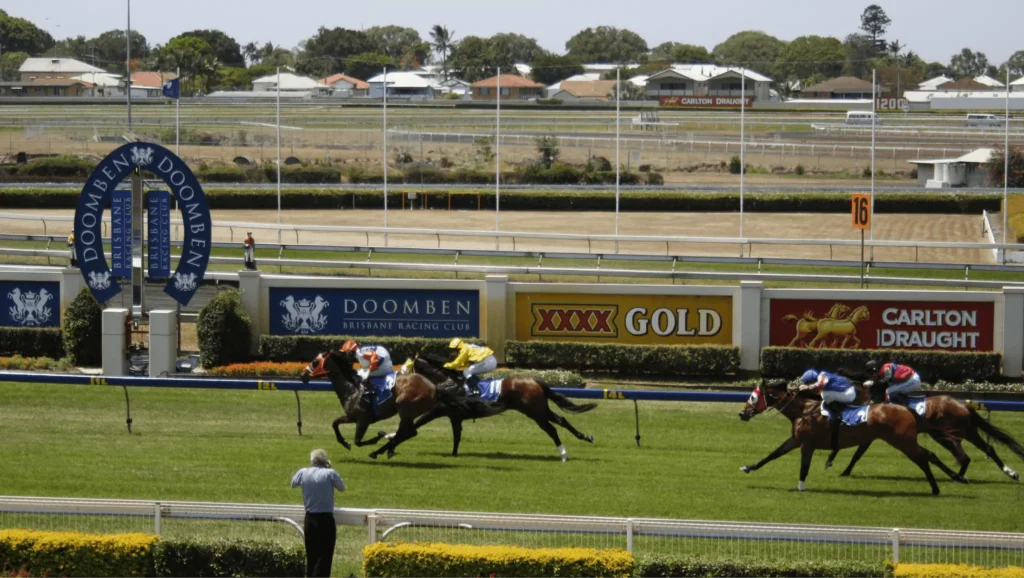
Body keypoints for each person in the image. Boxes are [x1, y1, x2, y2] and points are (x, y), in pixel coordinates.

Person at [291, 449, 345, 578]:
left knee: (311, 555)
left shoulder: (303, 472)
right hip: (326, 519)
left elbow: (293, 483)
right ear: (325, 461)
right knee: (325, 556)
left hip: (310, 518)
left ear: (312, 460)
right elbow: (342, 487)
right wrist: (328, 468)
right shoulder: (330, 473)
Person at [799, 369, 858, 453]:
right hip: (847, 391)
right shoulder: (822, 375)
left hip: (849, 393)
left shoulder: (822, 377)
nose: (807, 385)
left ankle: (837, 414)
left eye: (807, 383)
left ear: (812, 380)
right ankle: (835, 409)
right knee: (824, 394)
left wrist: (808, 387)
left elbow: (820, 384)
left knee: (824, 395)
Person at [340, 340, 393, 406]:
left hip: (382, 359)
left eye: (346, 354)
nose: (346, 356)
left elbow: (375, 359)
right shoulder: (359, 354)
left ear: (351, 352)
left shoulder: (361, 354)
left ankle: (370, 389)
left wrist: (370, 370)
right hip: (380, 355)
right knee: (362, 372)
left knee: (364, 374)